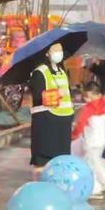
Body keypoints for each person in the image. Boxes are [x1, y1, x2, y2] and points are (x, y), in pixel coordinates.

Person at [72, 82, 105, 197]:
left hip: (91, 142)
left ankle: (98, 188)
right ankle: (101, 186)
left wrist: (73, 136)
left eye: (88, 96)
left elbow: (80, 125)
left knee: (93, 166)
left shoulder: (88, 109)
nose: (86, 99)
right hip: (102, 141)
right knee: (95, 163)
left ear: (95, 95)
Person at [29, 43, 74, 171]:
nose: (59, 53)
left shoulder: (62, 71)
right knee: (45, 163)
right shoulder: (40, 72)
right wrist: (57, 95)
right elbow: (38, 97)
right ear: (47, 53)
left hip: (63, 124)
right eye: (55, 50)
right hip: (47, 122)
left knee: (61, 161)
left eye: (60, 50)